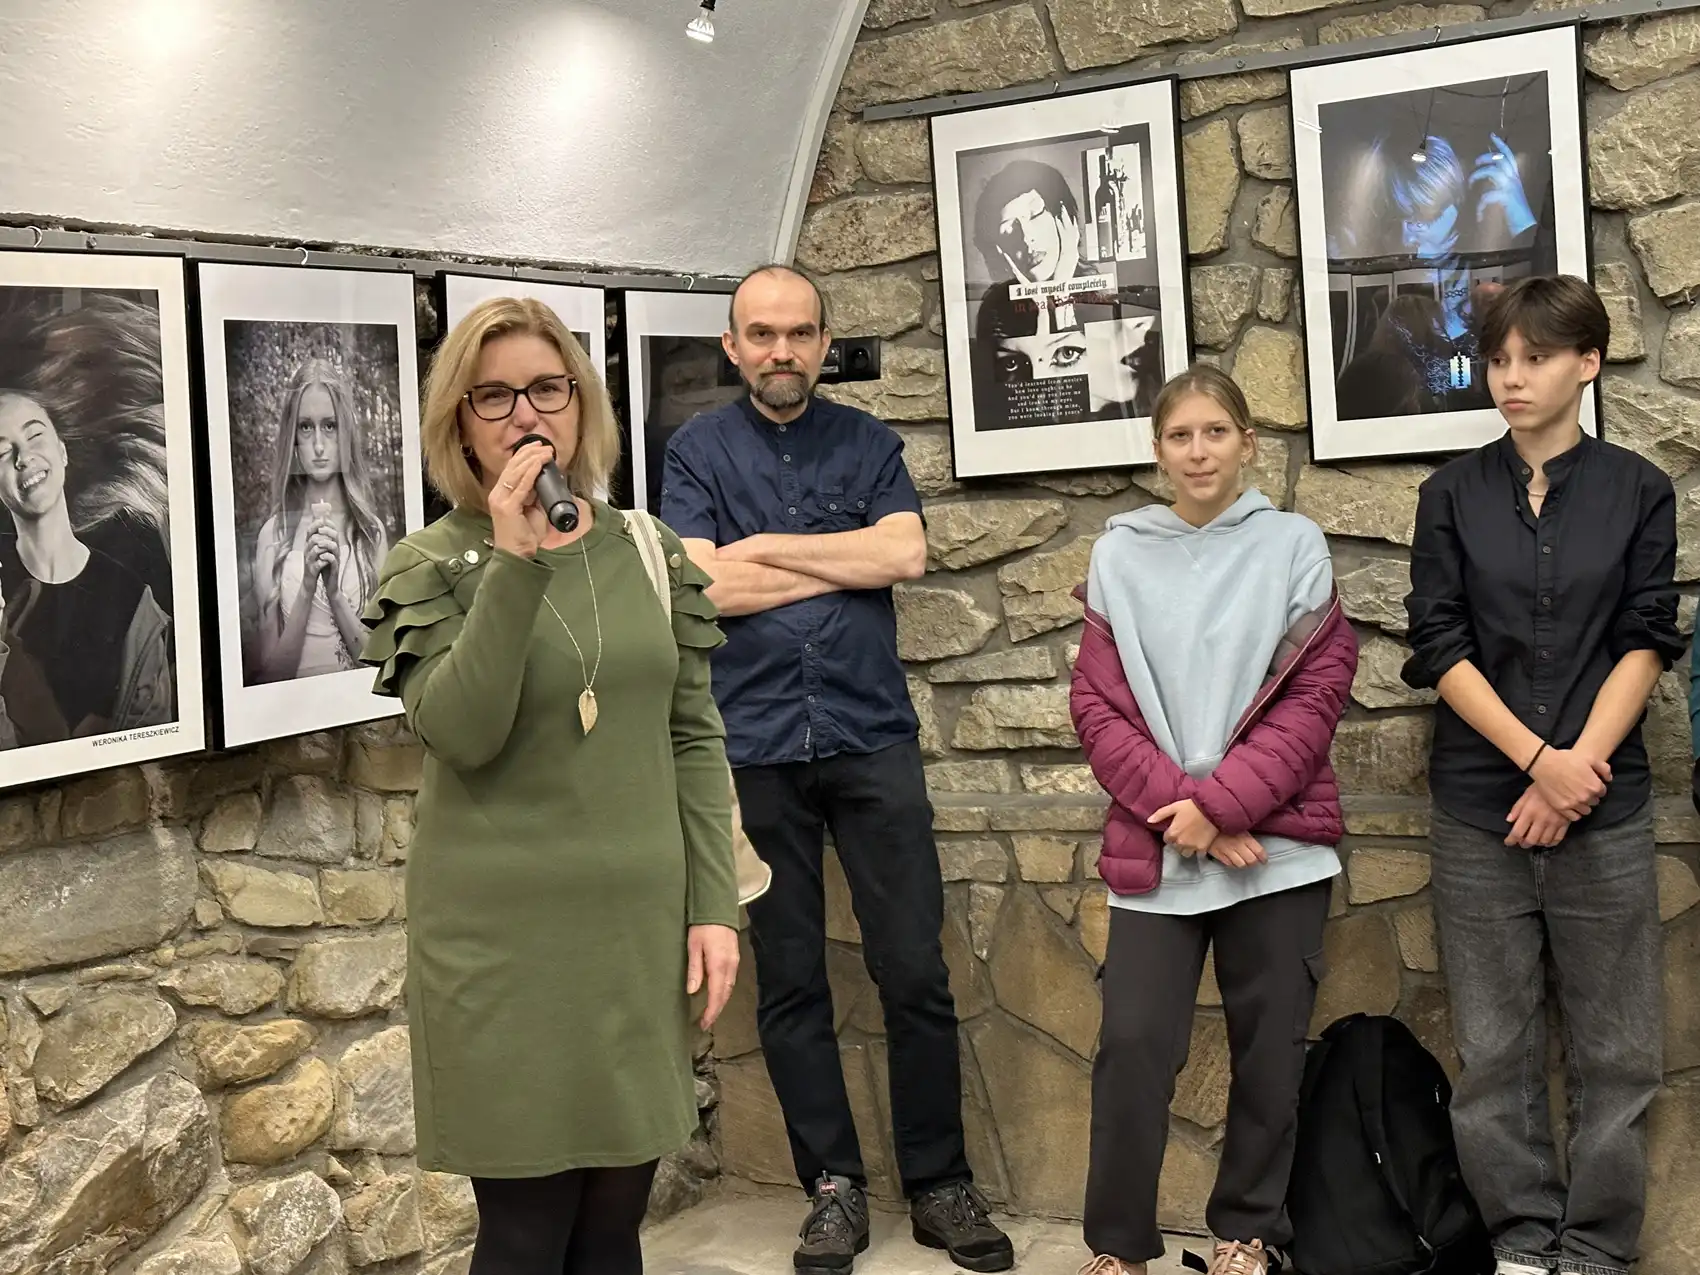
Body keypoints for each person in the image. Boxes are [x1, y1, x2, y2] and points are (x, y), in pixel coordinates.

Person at [357, 296, 741, 1275]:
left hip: (634, 939)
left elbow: (692, 740)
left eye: (545, 388)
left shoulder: (647, 552)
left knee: (613, 1230)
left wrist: (711, 907)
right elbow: (462, 730)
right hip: (500, 950)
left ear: (580, 405)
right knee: (526, 1234)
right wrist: (514, 562)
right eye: (493, 397)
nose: (524, 415)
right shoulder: (431, 566)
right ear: (458, 423)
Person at [659, 264, 1014, 1275]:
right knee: (790, 984)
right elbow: (698, 588)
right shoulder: (696, 450)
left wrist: (762, 548)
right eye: (761, 334)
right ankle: (832, 1191)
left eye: (799, 333)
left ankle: (940, 1184)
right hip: (753, 747)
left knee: (912, 967)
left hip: (869, 738)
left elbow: (902, 556)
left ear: (822, 342)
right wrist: (826, 550)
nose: (781, 351)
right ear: (732, 346)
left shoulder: (868, 444)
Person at [1401, 275, 1680, 1275]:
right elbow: (1437, 645)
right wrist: (1535, 763)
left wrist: (1576, 774)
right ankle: (1520, 1241)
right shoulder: (1447, 495)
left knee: (1616, 1052)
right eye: (1497, 360)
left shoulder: (1639, 490)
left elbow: (1644, 640)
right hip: (1479, 808)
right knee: (1492, 1049)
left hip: (1602, 810)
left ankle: (1594, 1249)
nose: (1509, 378)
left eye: (1532, 358)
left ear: (1587, 363)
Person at [1070, 365, 1357, 1275]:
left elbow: (1316, 695)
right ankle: (1119, 1247)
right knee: (1132, 1051)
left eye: (1217, 432)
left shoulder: (1293, 545)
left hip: (1275, 853)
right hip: (1160, 852)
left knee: (1269, 1058)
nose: (1199, 451)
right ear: (1158, 451)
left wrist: (1223, 807)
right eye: (1181, 435)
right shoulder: (1117, 556)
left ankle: (1246, 1234)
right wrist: (1184, 816)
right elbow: (1098, 708)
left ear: (1248, 442)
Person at [0, 294, 174, 746]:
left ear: (61, 450)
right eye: (1, 452)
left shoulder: (131, 597)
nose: (23, 458)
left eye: (34, 435)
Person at [250, 357, 390, 682]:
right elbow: (270, 676)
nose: (318, 444)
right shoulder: (273, 536)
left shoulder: (371, 534)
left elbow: (382, 665)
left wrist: (335, 594)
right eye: (305, 427)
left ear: (345, 434)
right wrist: (307, 587)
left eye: (329, 426)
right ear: (293, 439)